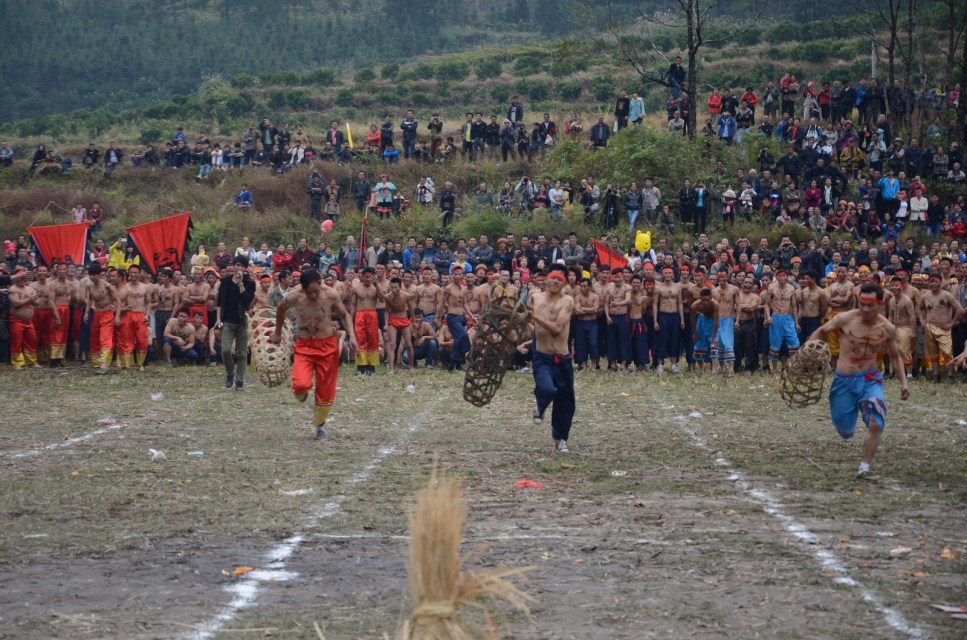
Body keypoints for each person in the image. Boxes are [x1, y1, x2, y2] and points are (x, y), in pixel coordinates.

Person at [808, 283, 910, 480]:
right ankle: (847, 424)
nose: (864, 309)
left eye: (870, 305)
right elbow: (821, 331)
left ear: (880, 305)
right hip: (844, 382)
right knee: (845, 431)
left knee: (875, 422)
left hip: (871, 379)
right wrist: (810, 352)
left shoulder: (887, 328)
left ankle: (864, 467)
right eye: (862, 304)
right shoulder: (845, 319)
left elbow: (895, 356)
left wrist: (904, 382)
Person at [271, 269, 357, 440]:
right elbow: (280, 309)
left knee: (325, 390)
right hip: (304, 346)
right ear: (302, 288)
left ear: (320, 282)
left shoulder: (331, 294)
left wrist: (352, 337)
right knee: (301, 384)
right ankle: (302, 392)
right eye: (308, 292)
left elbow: (344, 315)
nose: (312, 295)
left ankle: (319, 425)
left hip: (327, 347)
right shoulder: (295, 296)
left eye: (315, 291)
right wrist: (278, 332)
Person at [527, 265, 576, 453]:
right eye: (552, 278)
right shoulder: (535, 297)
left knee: (565, 402)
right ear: (546, 280)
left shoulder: (567, 301)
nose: (555, 281)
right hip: (541, 356)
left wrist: (535, 317)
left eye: (559, 279)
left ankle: (560, 437)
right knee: (547, 389)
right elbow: (526, 316)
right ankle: (539, 406)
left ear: (564, 283)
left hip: (562, 357)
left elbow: (556, 328)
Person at [216, 256, 256, 390]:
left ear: (245, 268)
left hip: (242, 321)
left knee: (242, 353)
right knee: (226, 350)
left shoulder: (250, 283)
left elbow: (247, 300)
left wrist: (240, 283)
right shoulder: (225, 281)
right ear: (233, 266)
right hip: (227, 320)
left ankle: (239, 380)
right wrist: (218, 319)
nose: (240, 268)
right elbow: (219, 302)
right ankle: (229, 374)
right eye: (238, 265)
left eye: (243, 266)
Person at [918, 273, 964, 383]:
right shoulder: (925, 296)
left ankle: (951, 376)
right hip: (930, 327)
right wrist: (922, 321)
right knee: (933, 353)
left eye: (935, 281)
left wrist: (951, 323)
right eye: (931, 281)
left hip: (944, 328)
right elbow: (920, 309)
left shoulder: (947, 295)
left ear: (940, 283)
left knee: (947, 353)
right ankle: (936, 375)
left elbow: (959, 309)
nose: (933, 283)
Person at [762, 268, 800, 369]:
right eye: (780, 276)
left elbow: (794, 306)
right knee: (775, 342)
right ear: (777, 277)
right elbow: (766, 304)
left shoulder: (791, 288)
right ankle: (774, 369)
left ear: (787, 277)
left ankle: (794, 367)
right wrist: (768, 316)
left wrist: (796, 323)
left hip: (788, 317)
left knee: (794, 342)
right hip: (776, 317)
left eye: (784, 276)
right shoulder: (771, 288)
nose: (782, 278)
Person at [350, 266, 384, 375]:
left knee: (373, 340)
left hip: (372, 314)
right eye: (366, 277)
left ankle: (371, 367)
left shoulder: (375, 287)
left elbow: (382, 299)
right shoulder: (357, 288)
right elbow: (353, 304)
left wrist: (377, 284)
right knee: (360, 340)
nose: (368, 279)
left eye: (370, 277)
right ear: (362, 277)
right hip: (360, 314)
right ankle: (360, 367)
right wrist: (351, 319)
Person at [439, 267, 472, 372]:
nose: (458, 276)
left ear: (462, 275)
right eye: (456, 274)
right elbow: (441, 303)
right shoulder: (448, 288)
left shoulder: (463, 288)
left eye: (459, 274)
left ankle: (454, 365)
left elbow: (465, 304)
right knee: (464, 336)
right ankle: (459, 361)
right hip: (452, 317)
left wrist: (471, 316)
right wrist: (438, 317)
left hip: (461, 317)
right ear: (452, 276)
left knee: (459, 341)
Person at [384, 277, 415, 374]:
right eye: (392, 287)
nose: (393, 290)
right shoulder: (387, 297)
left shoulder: (406, 296)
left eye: (395, 287)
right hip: (393, 320)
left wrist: (413, 321)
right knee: (392, 344)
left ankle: (411, 366)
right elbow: (387, 311)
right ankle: (392, 368)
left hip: (404, 319)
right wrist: (386, 324)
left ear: (400, 287)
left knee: (409, 344)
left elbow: (411, 308)